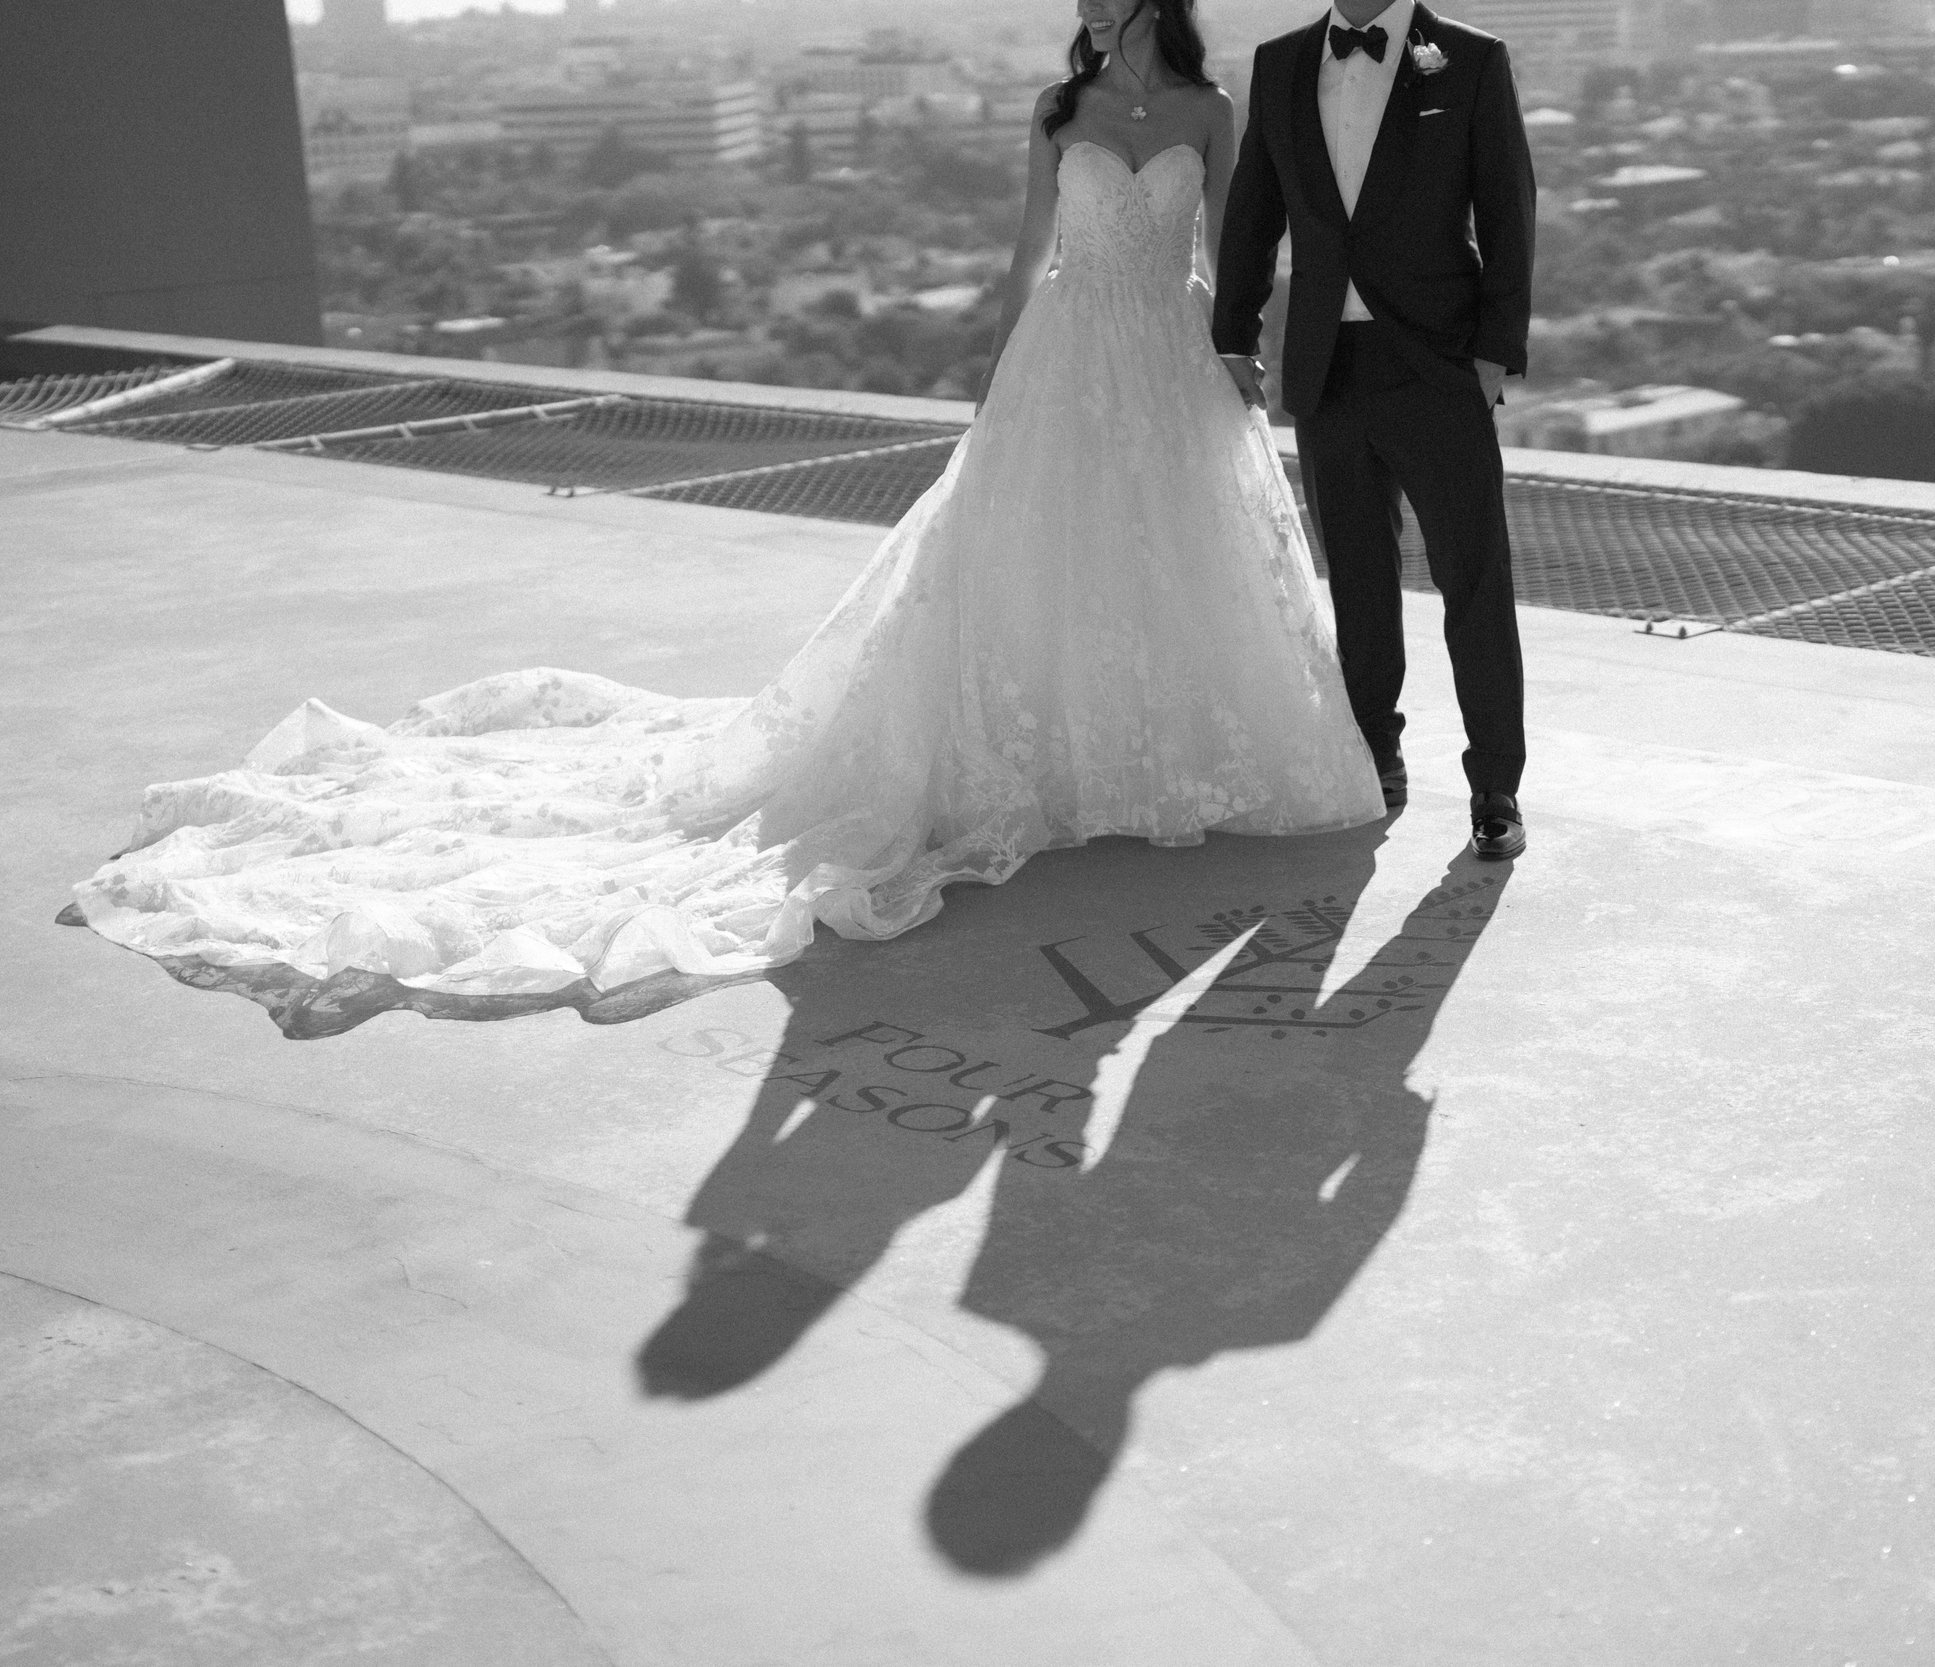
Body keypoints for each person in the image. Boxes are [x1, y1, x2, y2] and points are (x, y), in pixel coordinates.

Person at [63, 0, 1387, 1031]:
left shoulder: (1216, 112)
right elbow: (1024, 251)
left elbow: (1240, 251)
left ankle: (1155, 763)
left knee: (1175, 569)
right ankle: (1068, 765)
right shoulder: (1060, 108)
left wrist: (1239, 354)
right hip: (1063, 358)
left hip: (1170, 362)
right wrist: (995, 394)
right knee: (1041, 569)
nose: (1086, 3)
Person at [1212, 0, 1535, 861]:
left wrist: (1497, 349)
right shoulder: (1280, 63)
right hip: (1326, 363)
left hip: (1440, 362)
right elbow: (1254, 208)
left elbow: (1509, 204)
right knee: (1357, 575)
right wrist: (1232, 332)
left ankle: (1494, 786)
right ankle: (1375, 755)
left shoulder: (1471, 58)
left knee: (1473, 576)